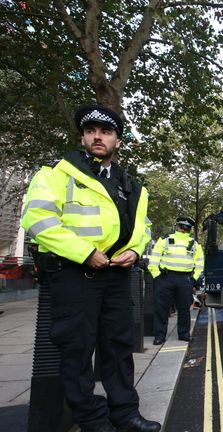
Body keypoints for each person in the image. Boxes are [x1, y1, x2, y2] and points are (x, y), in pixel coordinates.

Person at [20, 105, 159, 432]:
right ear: (82, 137)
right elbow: (37, 220)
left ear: (117, 141)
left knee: (118, 349)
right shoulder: (56, 173)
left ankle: (125, 413)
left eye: (106, 131)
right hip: (74, 276)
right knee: (77, 352)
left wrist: (136, 251)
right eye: (92, 130)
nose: (98, 136)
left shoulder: (132, 185)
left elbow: (145, 227)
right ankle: (93, 420)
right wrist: (84, 253)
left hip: (115, 278)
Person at [148, 217, 204, 345]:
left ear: (188, 229)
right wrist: (157, 276)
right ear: (177, 227)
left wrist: (193, 279)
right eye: (182, 227)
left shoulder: (194, 244)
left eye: (186, 228)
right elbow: (154, 259)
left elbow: (199, 263)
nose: (183, 230)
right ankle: (160, 336)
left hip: (183, 279)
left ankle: (182, 334)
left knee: (183, 308)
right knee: (162, 308)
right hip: (167, 278)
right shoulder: (165, 239)